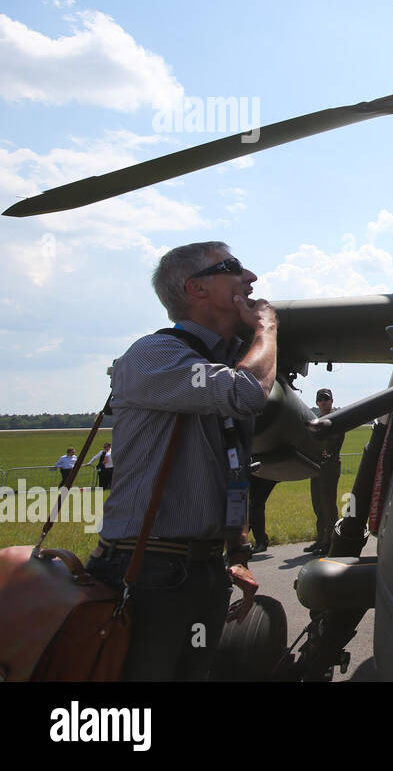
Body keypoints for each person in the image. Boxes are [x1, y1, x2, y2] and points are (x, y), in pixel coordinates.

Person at [85, 241, 277, 681]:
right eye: (234, 268)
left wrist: (236, 551)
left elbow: (229, 463)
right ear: (196, 289)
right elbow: (246, 393)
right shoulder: (157, 355)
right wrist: (267, 328)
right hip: (149, 571)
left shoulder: (225, 361)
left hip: (201, 571)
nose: (250, 278)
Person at [305, 388, 345, 554]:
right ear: (316, 403)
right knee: (318, 504)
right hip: (316, 466)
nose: (323, 402)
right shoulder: (318, 419)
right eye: (320, 399)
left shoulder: (335, 419)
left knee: (328, 505)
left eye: (326, 399)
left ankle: (331, 542)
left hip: (329, 466)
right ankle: (321, 539)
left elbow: (334, 441)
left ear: (332, 401)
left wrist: (325, 450)